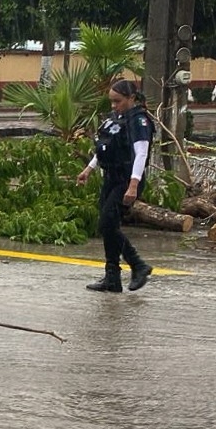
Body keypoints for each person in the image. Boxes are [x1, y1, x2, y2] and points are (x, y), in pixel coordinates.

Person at [77, 79, 153, 293]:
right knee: (108, 227)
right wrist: (89, 169)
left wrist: (133, 185)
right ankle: (112, 277)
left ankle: (138, 265)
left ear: (131, 98)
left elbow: (141, 154)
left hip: (127, 179)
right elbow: (105, 147)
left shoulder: (139, 121)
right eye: (111, 102)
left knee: (106, 224)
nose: (113, 106)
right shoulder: (115, 119)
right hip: (111, 177)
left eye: (117, 101)